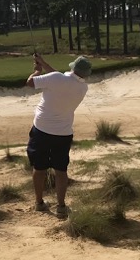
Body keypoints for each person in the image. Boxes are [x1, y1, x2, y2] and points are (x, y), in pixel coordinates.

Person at [26, 53, 92, 218]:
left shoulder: (56, 78)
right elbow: (62, 79)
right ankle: (61, 206)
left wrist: (37, 71)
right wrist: (44, 63)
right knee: (61, 170)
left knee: (39, 167)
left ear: (73, 67)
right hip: (63, 134)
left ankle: (39, 203)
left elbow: (30, 83)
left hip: (41, 130)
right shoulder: (82, 88)